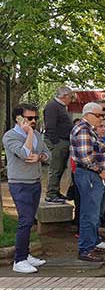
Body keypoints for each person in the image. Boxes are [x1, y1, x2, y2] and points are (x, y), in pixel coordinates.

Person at [3, 104, 51, 273]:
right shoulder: (10, 136)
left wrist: (41, 156)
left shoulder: (37, 134)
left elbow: (48, 154)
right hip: (19, 183)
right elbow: (24, 153)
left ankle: (26, 253)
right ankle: (19, 260)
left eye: (35, 118)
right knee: (25, 220)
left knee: (30, 220)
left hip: (35, 182)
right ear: (18, 119)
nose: (33, 121)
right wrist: (29, 133)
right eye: (29, 118)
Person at [70, 102, 105, 262]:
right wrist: (100, 170)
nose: (101, 118)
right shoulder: (83, 129)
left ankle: (91, 243)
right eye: (99, 115)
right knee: (89, 213)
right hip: (89, 175)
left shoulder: (88, 129)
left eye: (103, 115)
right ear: (88, 114)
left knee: (92, 213)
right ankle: (86, 249)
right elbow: (85, 157)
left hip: (91, 175)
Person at [43, 86, 74, 204]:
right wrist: (55, 142)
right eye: (71, 97)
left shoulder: (60, 107)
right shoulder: (52, 106)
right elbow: (50, 126)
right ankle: (51, 194)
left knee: (60, 168)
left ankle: (55, 191)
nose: (71, 99)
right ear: (65, 96)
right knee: (56, 168)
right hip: (58, 141)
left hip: (63, 141)